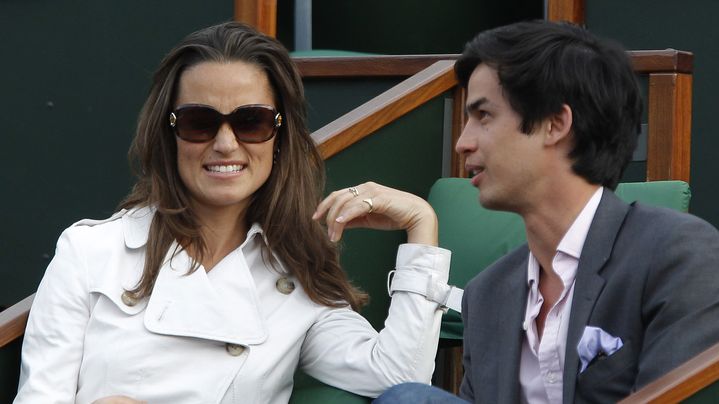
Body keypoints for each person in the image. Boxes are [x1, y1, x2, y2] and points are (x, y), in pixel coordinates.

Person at [14, 22, 455, 404]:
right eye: (199, 122)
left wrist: (421, 224)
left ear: (279, 136)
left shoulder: (298, 274)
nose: (225, 144)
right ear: (169, 135)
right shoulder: (91, 251)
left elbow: (399, 379)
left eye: (251, 122)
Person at [375, 20, 719, 403]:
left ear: (555, 124)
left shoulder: (679, 254)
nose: (462, 142)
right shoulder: (487, 294)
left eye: (484, 115)